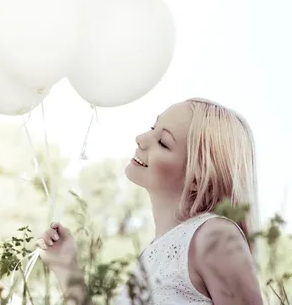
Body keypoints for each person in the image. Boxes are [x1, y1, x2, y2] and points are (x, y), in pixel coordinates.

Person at [35, 98, 264, 304]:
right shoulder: (152, 253)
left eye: (163, 142)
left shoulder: (215, 236)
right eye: (152, 128)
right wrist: (67, 270)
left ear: (198, 177)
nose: (141, 139)